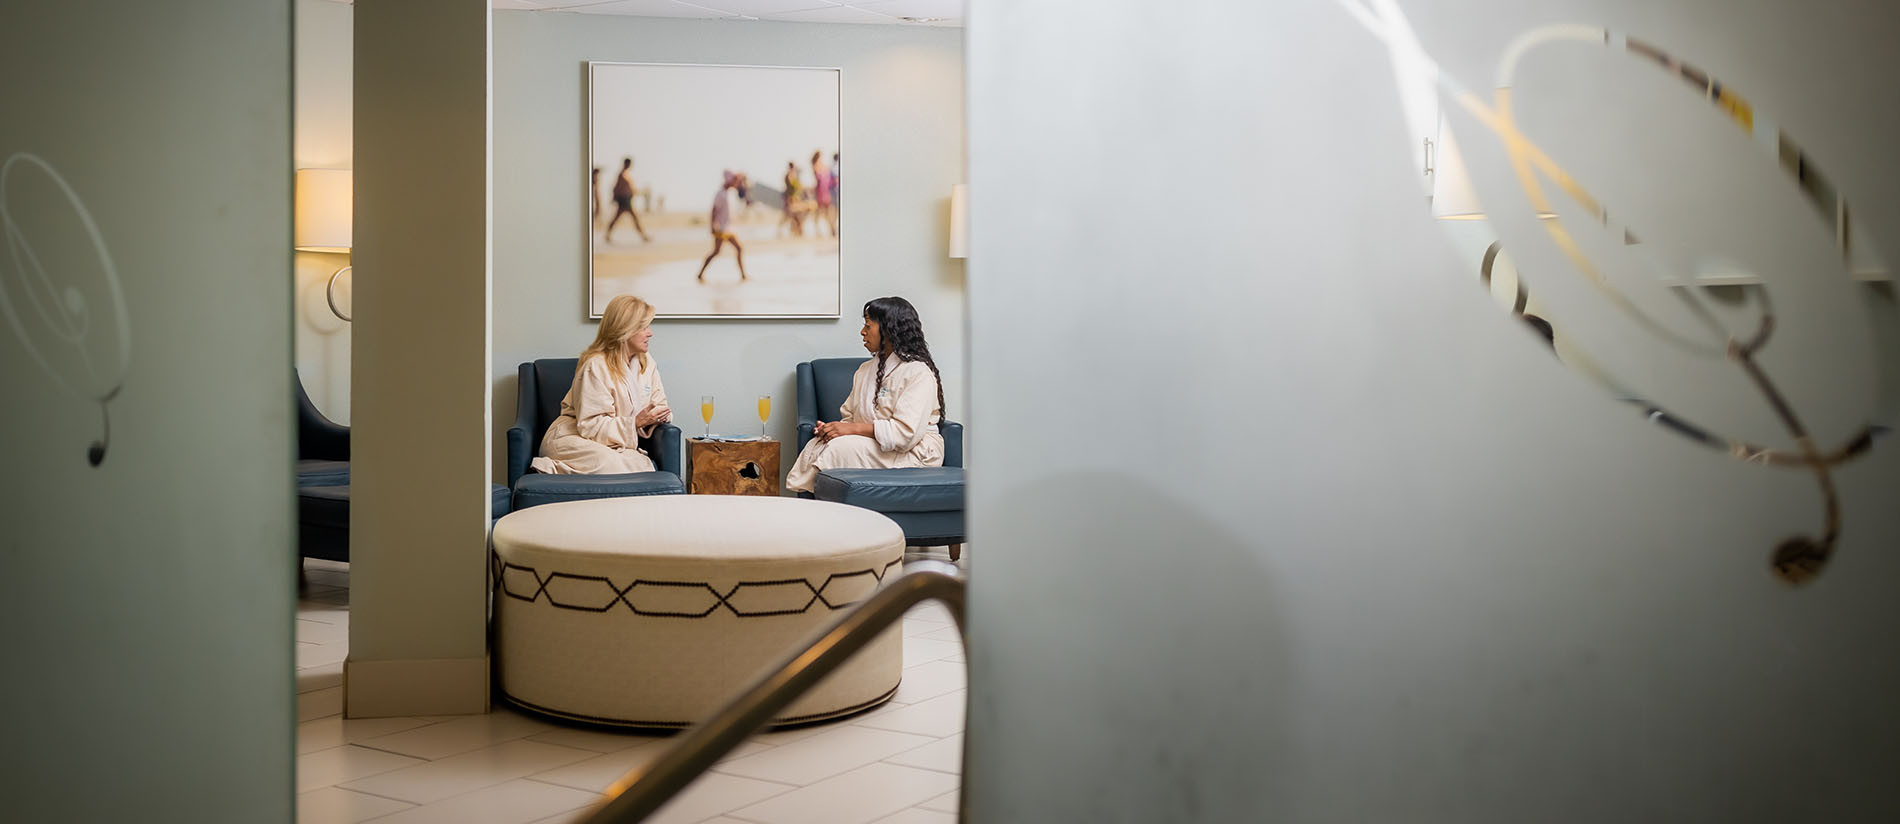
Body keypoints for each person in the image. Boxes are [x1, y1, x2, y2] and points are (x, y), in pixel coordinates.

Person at [786, 297, 946, 492]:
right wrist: (832, 429)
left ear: (888, 330)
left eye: (868, 326)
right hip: (877, 445)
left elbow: (905, 435)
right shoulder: (865, 370)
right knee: (818, 444)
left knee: (838, 450)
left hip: (914, 452)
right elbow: (851, 417)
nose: (862, 332)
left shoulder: (918, 373)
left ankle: (809, 507)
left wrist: (850, 430)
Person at [530, 294, 672, 475]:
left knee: (636, 463)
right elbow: (590, 425)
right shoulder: (595, 365)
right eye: (643, 327)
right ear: (625, 329)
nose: (650, 333)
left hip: (612, 443)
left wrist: (656, 417)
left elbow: (661, 406)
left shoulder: (647, 363)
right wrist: (635, 423)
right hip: (573, 438)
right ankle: (552, 466)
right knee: (607, 461)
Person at [696, 171, 749, 282]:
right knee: (716, 251)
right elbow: (714, 210)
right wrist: (712, 225)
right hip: (721, 228)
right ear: (729, 181)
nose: (736, 183)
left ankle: (743, 275)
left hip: (730, 228)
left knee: (738, 249)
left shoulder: (731, 193)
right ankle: (700, 273)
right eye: (735, 181)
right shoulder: (720, 194)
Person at [605, 157, 651, 243]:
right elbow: (617, 187)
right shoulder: (622, 175)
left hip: (627, 200)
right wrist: (615, 197)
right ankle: (644, 236)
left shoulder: (625, 174)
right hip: (624, 200)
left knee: (622, 218)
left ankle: (643, 236)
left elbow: (630, 189)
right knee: (633, 218)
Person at [811, 150, 838, 238]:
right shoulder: (816, 167)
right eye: (820, 157)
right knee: (820, 211)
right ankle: (824, 229)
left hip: (825, 191)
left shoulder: (822, 166)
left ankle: (831, 229)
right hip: (820, 191)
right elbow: (819, 178)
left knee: (826, 211)